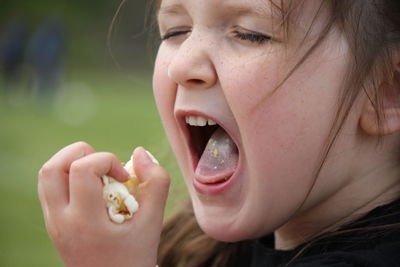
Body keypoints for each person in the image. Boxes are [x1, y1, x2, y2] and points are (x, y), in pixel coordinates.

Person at [38, 0, 400, 266]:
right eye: (176, 30)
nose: (181, 66)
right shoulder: (197, 249)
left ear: (388, 92)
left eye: (250, 34)